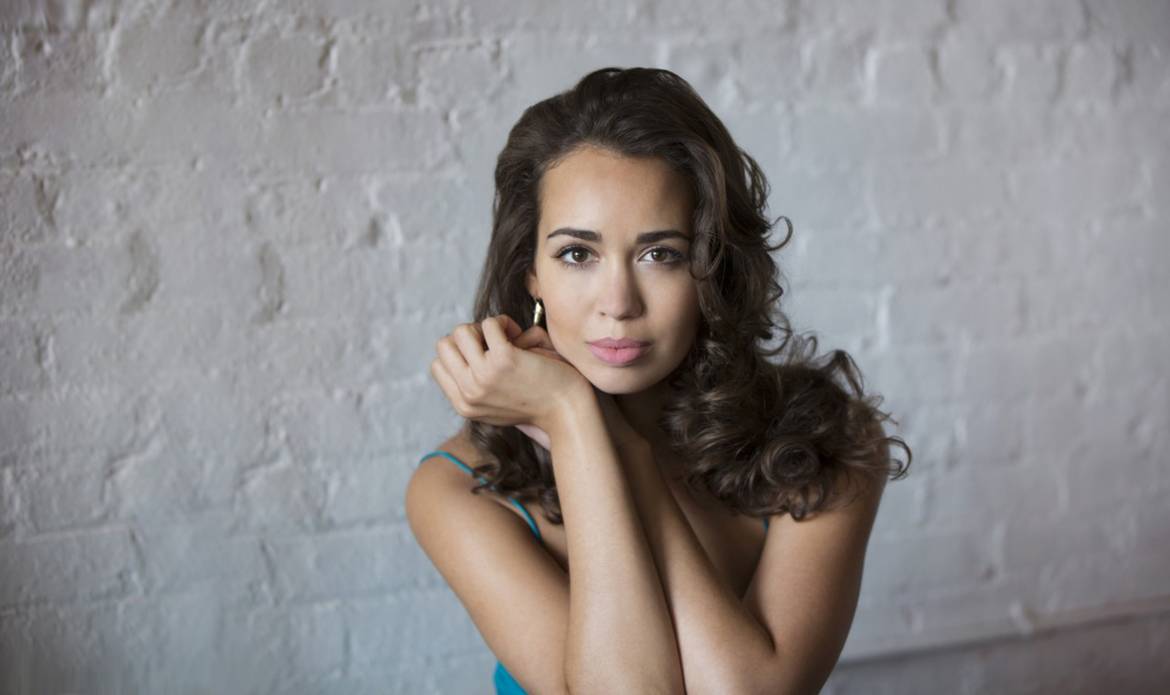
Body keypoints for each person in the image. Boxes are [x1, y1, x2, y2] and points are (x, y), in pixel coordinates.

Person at [405, 66, 911, 695]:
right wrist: (571, 416)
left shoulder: (826, 444)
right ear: (530, 272)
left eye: (660, 254)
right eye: (577, 254)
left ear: (712, 267)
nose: (618, 303)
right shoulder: (460, 488)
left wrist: (614, 445)